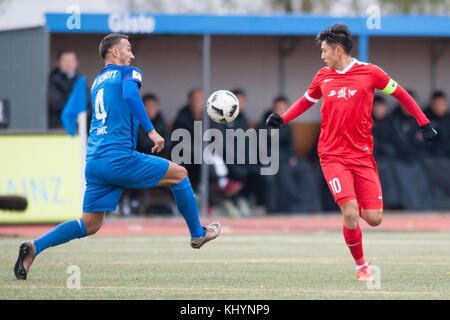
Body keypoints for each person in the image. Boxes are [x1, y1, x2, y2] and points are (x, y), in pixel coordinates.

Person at [14, 33, 220, 280]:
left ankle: (35, 247)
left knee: (89, 224)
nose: (132, 55)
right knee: (180, 175)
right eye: (128, 49)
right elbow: (131, 96)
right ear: (114, 53)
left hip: (95, 163)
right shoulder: (129, 73)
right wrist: (152, 131)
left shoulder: (97, 82)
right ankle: (198, 234)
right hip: (119, 158)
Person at [266, 24, 437, 282]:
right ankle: (361, 267)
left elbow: (401, 94)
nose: (322, 56)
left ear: (338, 50)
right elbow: (306, 101)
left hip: (362, 156)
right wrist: (284, 118)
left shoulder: (371, 73)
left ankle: (355, 221)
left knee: (375, 218)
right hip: (332, 155)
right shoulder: (323, 76)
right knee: (351, 212)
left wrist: (424, 123)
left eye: (324, 51)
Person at [48, 49, 81, 128]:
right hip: (57, 127)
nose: (68, 64)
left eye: (71, 61)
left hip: (78, 127)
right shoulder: (52, 79)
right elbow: (56, 103)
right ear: (58, 63)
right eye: (65, 61)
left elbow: (87, 103)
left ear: (76, 63)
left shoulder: (81, 80)